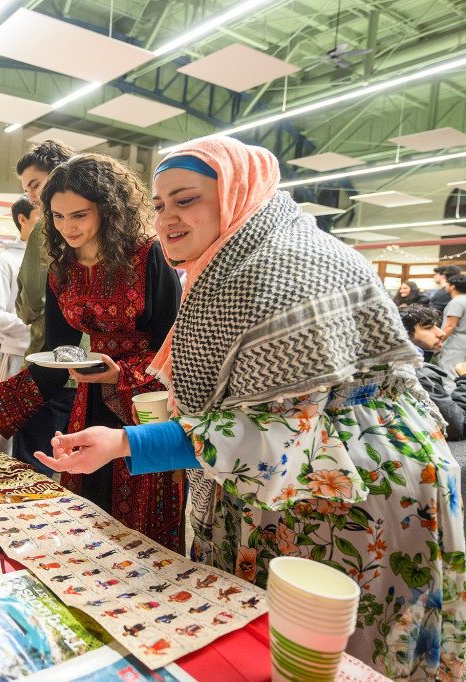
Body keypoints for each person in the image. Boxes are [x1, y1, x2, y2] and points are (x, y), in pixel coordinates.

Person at [36, 137, 465, 681]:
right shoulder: (228, 264)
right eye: (161, 202)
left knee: (337, 654)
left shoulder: (286, 270)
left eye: (186, 199)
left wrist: (128, 443)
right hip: (283, 483)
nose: (168, 216)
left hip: (348, 492)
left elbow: (283, 434)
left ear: (238, 194)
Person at [0, 154, 184, 551]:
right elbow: (57, 355)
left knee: (142, 521)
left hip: (147, 402)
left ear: (107, 211)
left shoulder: (149, 255)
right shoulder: (63, 267)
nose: (67, 227)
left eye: (79, 215)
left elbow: (171, 347)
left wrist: (121, 374)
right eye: (57, 216)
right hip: (89, 399)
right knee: (89, 510)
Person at [12, 140, 79, 472]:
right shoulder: (99, 226)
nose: (34, 197)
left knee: (33, 467)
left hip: (51, 366)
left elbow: (31, 301)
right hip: (90, 372)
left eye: (35, 185)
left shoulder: (47, 227)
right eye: (28, 192)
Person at [0, 195, 36, 455]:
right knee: (6, 430)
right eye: (41, 215)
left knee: (36, 434)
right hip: (16, 357)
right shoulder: (4, 263)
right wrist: (34, 325)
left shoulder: (55, 259)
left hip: (47, 361)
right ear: (22, 219)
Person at [399, 304, 466, 440]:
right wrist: (464, 380)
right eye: (428, 328)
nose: (441, 333)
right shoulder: (420, 373)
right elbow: (457, 426)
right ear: (404, 334)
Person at [438, 274, 466, 377]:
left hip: (455, 344)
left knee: (451, 374)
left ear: (452, 286)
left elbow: (450, 326)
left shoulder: (457, 302)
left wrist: (438, 342)